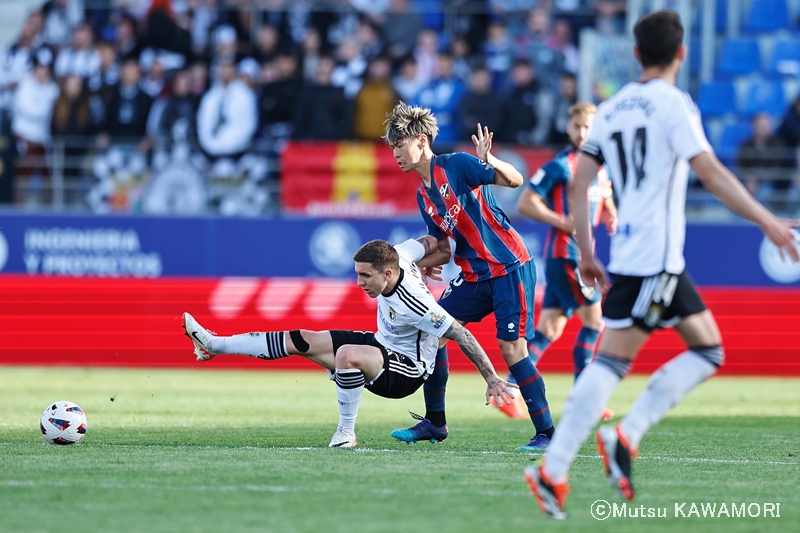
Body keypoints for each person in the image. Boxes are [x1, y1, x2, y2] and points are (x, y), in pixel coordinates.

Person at [524, 10, 800, 519]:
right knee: (612, 361)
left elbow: (581, 184)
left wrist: (588, 251)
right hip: (655, 257)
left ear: (636, 54)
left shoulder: (611, 109)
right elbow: (710, 172)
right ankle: (556, 466)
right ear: (682, 53)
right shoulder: (674, 104)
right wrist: (767, 220)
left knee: (708, 349)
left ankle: (619, 438)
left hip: (638, 253)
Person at [182, 238, 517, 448]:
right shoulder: (400, 253)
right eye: (357, 274)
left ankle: (345, 433)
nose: (358, 282)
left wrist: (491, 377)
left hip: (406, 372)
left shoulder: (415, 303)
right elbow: (431, 241)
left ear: (387, 274)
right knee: (302, 339)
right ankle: (214, 344)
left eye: (365, 276)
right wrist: (428, 261)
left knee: (346, 355)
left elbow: (461, 334)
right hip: (381, 345)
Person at [384, 102, 554, 450]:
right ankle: (435, 423)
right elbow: (444, 249)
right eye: (392, 147)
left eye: (400, 145)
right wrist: (419, 262)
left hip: (508, 266)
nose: (395, 153)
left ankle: (548, 434)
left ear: (421, 141)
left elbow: (515, 180)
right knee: (432, 331)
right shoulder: (423, 195)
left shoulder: (457, 165)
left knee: (512, 349)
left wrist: (490, 160)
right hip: (473, 276)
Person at [516, 101, 617, 421]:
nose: (583, 133)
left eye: (589, 127)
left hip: (574, 256)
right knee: (595, 322)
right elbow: (526, 202)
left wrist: (612, 214)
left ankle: (510, 389)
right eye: (577, 127)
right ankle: (584, 398)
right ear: (568, 128)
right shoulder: (561, 165)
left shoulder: (601, 169)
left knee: (550, 328)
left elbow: (605, 197)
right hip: (568, 255)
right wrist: (562, 221)